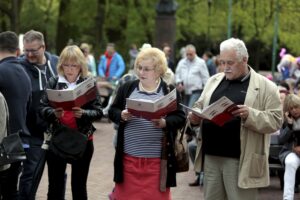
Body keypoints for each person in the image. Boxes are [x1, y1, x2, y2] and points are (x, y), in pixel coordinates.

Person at [189, 38, 283, 200]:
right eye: (222, 62)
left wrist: (250, 114)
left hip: (241, 160)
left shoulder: (267, 86)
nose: (225, 68)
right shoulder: (213, 81)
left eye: (230, 63)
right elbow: (199, 106)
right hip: (211, 157)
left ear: (244, 60)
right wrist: (194, 119)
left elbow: (276, 120)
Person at [108, 47, 185, 200]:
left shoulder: (169, 91)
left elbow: (181, 117)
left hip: (156, 164)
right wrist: (122, 115)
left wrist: (164, 122)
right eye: (140, 68)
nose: (141, 72)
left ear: (158, 71)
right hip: (128, 161)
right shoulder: (127, 88)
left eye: (146, 69)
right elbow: (112, 111)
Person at [39, 45, 103, 200]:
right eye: (66, 65)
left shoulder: (89, 83)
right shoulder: (54, 82)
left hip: (83, 140)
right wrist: (53, 113)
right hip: (59, 139)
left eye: (74, 65)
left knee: (79, 186)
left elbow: (99, 111)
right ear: (61, 65)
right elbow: (41, 108)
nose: (70, 69)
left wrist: (84, 113)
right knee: (55, 185)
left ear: (81, 65)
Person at [18, 29, 58, 200]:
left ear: (43, 47)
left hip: (57, 131)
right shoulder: (21, 67)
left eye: (33, 51)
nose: (29, 55)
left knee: (58, 178)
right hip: (33, 133)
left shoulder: (56, 63)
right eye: (26, 50)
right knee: (30, 175)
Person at [0, 31, 32, 200]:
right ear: (17, 50)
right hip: (19, 141)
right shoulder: (25, 74)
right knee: (11, 190)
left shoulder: (1, 70)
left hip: (3, 142)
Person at [278, 94, 300, 200]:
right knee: (290, 162)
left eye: (296, 107)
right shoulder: (286, 122)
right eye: (291, 108)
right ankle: (287, 198)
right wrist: (290, 125)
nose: (294, 110)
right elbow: (281, 139)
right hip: (292, 153)